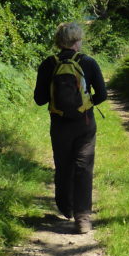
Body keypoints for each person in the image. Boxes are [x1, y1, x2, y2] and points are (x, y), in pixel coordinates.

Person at [33, 22, 107, 233]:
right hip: (84, 124)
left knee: (63, 165)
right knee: (84, 167)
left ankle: (66, 208)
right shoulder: (89, 63)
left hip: (59, 124)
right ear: (76, 41)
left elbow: (39, 99)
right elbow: (102, 95)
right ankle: (83, 218)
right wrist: (84, 102)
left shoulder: (49, 64)